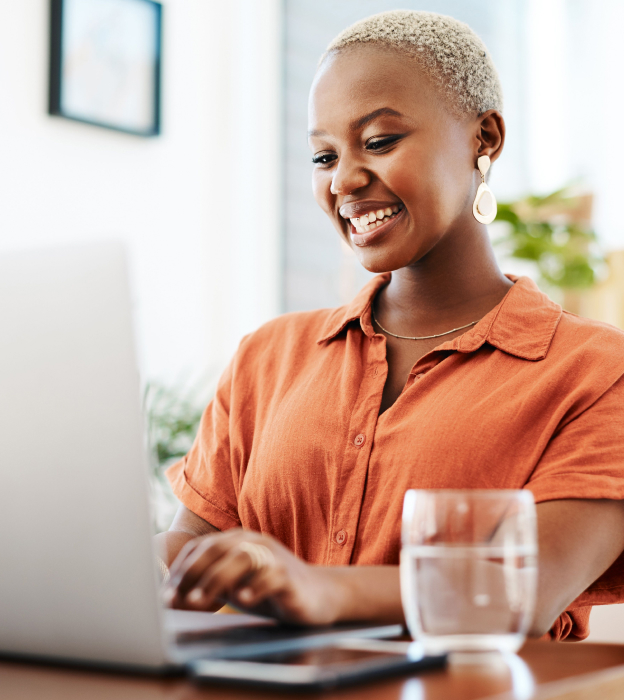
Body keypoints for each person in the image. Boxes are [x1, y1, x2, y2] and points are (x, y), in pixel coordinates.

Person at [157, 10, 624, 641]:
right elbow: (184, 558)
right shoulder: (268, 357)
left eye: (378, 142)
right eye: (324, 155)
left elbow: (520, 592)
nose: (344, 180)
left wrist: (315, 587)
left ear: (483, 138)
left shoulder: (595, 371)